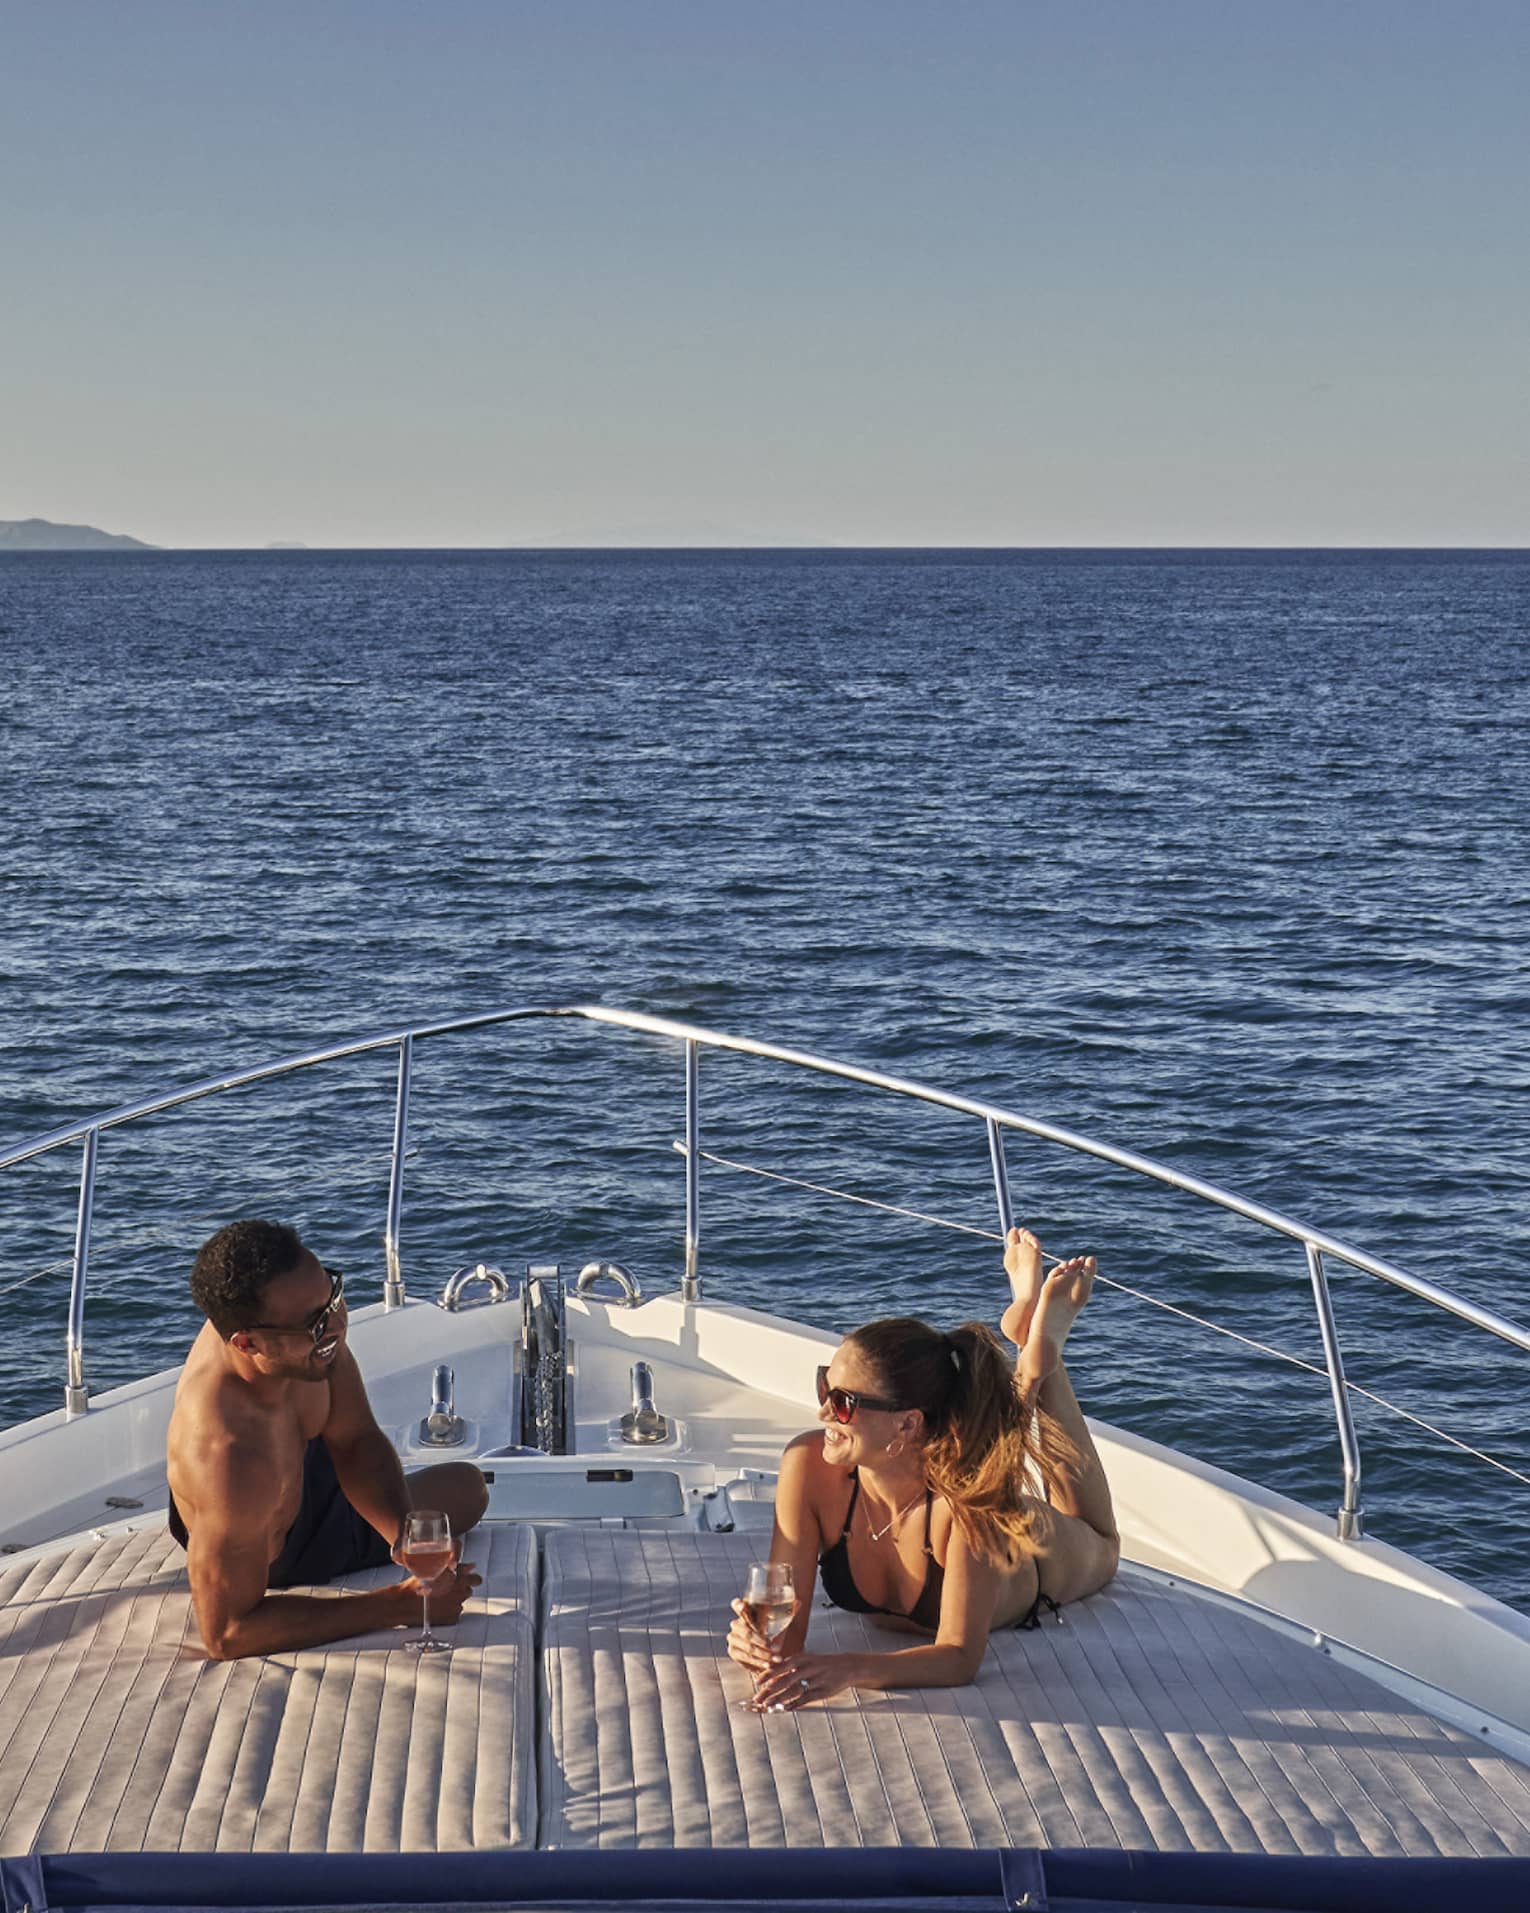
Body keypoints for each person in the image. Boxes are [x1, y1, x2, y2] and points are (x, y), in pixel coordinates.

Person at [729, 1227, 1118, 1707]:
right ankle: (1031, 1351)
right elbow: (783, 1638)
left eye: (844, 1403)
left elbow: (958, 1656)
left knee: (1100, 1538)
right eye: (824, 1387)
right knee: (993, 1447)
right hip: (958, 1474)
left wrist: (851, 1667)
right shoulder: (807, 1467)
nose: (823, 1413)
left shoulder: (966, 1499)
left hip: (1035, 1562)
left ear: (907, 1425)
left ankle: (1041, 1362)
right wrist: (753, 1646)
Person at [166, 1218, 488, 1660]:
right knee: (452, 1504)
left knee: (468, 1490)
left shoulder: (306, 1336)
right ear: (247, 1343)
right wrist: (401, 1605)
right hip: (274, 1537)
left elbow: (355, 1438)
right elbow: (227, 1634)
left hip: (299, 1465)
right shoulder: (228, 1457)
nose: (336, 1324)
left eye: (334, 1297)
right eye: (316, 1323)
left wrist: (404, 1535)